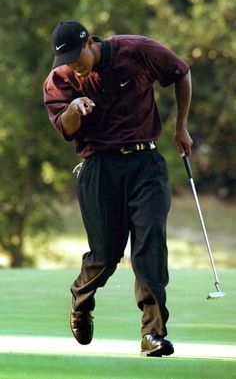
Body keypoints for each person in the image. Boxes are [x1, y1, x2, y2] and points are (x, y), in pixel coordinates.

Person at [43, 20, 193, 357]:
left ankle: (153, 333)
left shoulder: (136, 50)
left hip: (146, 164)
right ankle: (81, 298)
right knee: (106, 255)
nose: (72, 64)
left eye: (75, 55)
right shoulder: (62, 79)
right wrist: (72, 109)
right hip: (99, 168)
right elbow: (64, 128)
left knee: (150, 240)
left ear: (90, 42)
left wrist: (181, 126)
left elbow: (181, 72)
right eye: (64, 58)